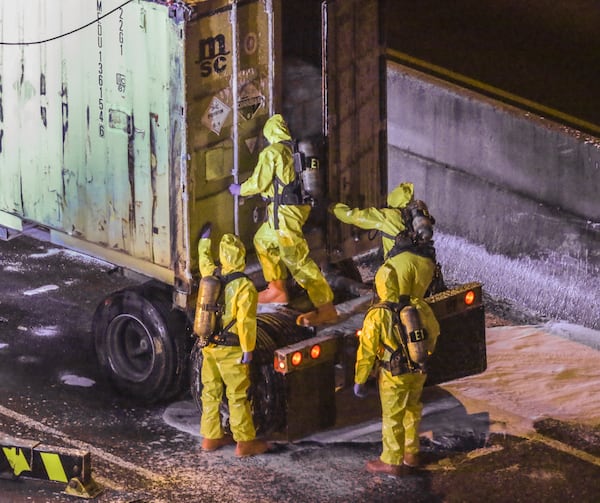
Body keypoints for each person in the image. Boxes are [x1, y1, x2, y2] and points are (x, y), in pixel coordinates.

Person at [229, 113, 337, 327]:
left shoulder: (273, 152)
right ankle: (277, 289)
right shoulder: (292, 149)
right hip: (290, 211)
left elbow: (259, 182)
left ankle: (326, 308)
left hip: (285, 214)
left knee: (297, 260)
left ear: (270, 132)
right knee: (263, 241)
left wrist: (240, 189)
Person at [353, 263, 440, 476]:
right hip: (418, 369)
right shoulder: (416, 305)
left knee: (393, 416)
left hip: (394, 374)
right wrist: (423, 354)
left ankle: (392, 462)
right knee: (412, 409)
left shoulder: (377, 315)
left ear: (381, 286)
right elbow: (434, 332)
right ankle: (411, 453)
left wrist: (360, 379)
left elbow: (366, 352)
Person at [196, 224, 270, 457]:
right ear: (242, 257)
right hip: (231, 349)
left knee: (210, 392)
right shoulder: (245, 287)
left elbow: (203, 260)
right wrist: (248, 349)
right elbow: (246, 322)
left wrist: (204, 242)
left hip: (209, 346)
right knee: (237, 395)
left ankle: (211, 437)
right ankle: (245, 442)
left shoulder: (211, 276)